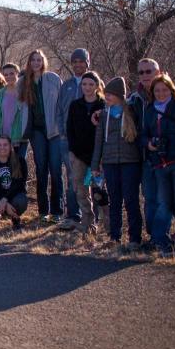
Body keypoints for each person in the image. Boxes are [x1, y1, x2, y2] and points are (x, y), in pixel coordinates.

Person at [130, 58, 175, 251]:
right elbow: (137, 130)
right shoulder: (136, 99)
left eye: (149, 71)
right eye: (141, 72)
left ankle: (171, 239)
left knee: (174, 202)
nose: (145, 75)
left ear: (158, 72)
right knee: (157, 200)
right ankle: (164, 238)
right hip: (153, 159)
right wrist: (147, 144)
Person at [92, 77, 143, 250]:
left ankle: (135, 238)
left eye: (111, 94)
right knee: (114, 200)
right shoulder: (104, 114)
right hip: (110, 162)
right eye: (106, 93)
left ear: (120, 95)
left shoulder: (132, 111)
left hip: (130, 162)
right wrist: (95, 165)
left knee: (131, 200)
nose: (107, 97)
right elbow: (98, 141)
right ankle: (115, 236)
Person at [21, 49, 64, 223]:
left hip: (54, 131)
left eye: (39, 60)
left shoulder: (53, 79)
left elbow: (61, 104)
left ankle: (57, 211)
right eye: (33, 60)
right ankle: (43, 211)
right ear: (29, 63)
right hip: (36, 131)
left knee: (55, 170)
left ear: (43, 61)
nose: (36, 63)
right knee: (41, 170)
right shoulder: (24, 82)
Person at [64, 71, 106, 234]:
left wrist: (100, 155)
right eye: (84, 84)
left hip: (98, 155)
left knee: (98, 190)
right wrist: (73, 151)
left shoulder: (103, 105)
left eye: (91, 84)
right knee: (81, 189)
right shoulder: (75, 105)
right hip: (78, 154)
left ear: (96, 86)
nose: (87, 87)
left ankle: (104, 223)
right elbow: (70, 129)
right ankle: (87, 221)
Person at [56, 48, 91, 228]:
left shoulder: (93, 83)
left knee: (89, 178)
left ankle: (91, 216)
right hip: (68, 141)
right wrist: (62, 133)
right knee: (71, 178)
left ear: (87, 63)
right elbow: (59, 112)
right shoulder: (66, 85)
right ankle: (72, 215)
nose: (78, 64)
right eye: (75, 61)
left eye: (81, 61)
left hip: (89, 142)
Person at [0, 135, 29, 230]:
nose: (2, 147)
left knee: (21, 201)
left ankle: (15, 218)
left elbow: (19, 184)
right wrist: (4, 202)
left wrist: (5, 199)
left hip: (13, 196)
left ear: (10, 146)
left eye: (5, 145)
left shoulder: (19, 160)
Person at [0, 63, 29, 159]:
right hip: (3, 140)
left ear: (17, 73)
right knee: (5, 169)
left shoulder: (25, 93)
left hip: (20, 138)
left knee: (20, 166)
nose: (8, 77)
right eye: (5, 74)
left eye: (11, 73)